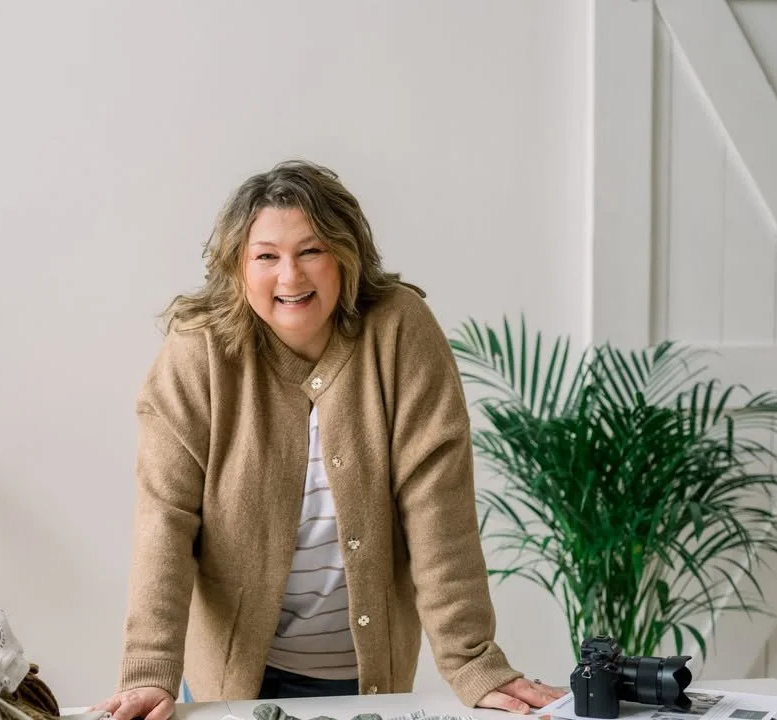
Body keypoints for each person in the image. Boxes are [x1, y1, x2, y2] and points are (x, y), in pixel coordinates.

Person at [93, 160, 565, 720]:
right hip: (230, 682)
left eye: (311, 251)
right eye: (266, 256)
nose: (290, 277)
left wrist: (473, 663)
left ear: (346, 255)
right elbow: (164, 518)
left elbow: (438, 509)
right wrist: (149, 669)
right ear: (238, 268)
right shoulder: (198, 353)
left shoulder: (400, 331)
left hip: (370, 680)